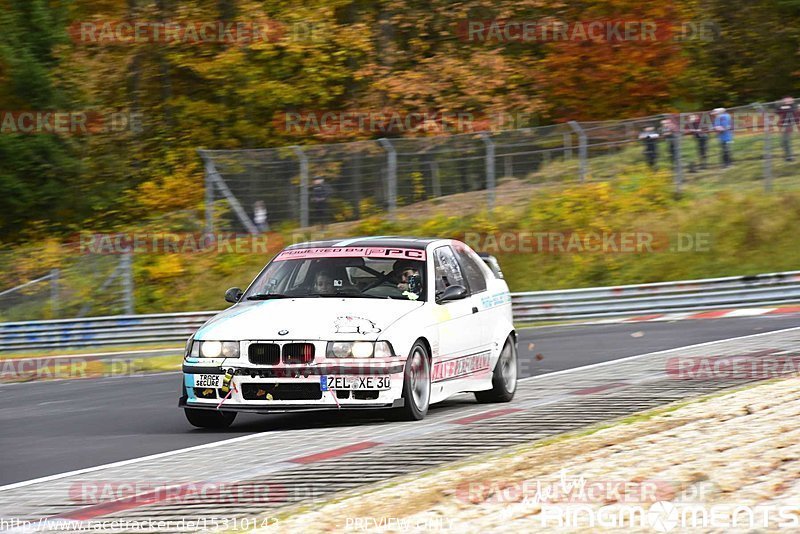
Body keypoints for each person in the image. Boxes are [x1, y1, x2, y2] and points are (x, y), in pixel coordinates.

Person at [775, 97, 798, 162]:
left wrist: (785, 105)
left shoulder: (793, 107)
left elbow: (792, 110)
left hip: (789, 125)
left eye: (789, 101)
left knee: (786, 141)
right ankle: (787, 155)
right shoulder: (783, 107)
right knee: (783, 142)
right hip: (784, 126)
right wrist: (779, 104)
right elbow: (777, 111)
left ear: (792, 101)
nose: (786, 102)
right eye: (785, 101)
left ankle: (790, 156)